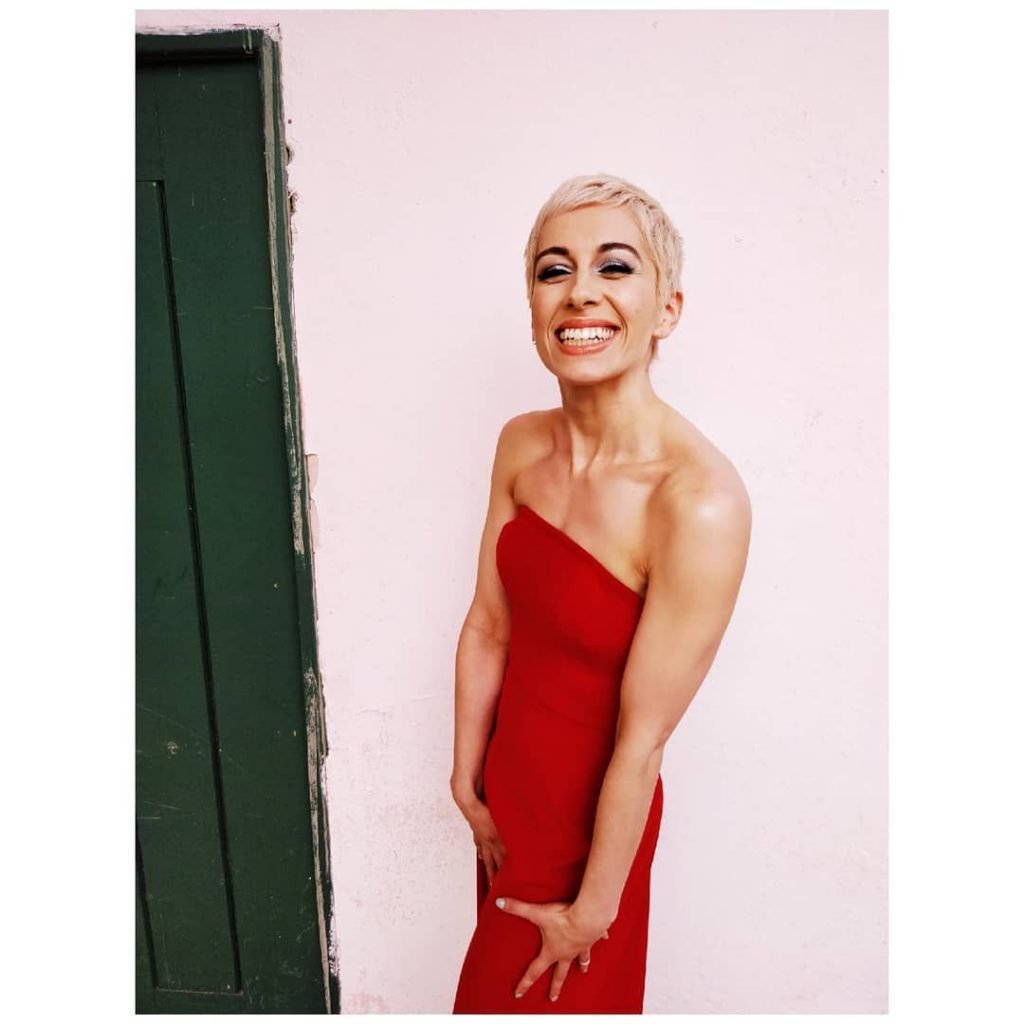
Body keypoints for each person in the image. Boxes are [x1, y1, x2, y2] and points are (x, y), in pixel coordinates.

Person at [450, 173, 752, 1013]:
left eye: (615, 267)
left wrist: (592, 912)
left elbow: (644, 741)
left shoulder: (698, 500)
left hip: (589, 842)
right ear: (534, 307)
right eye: (554, 270)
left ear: (668, 309)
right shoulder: (520, 445)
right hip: (505, 806)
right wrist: (465, 780)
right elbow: (488, 626)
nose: (580, 291)